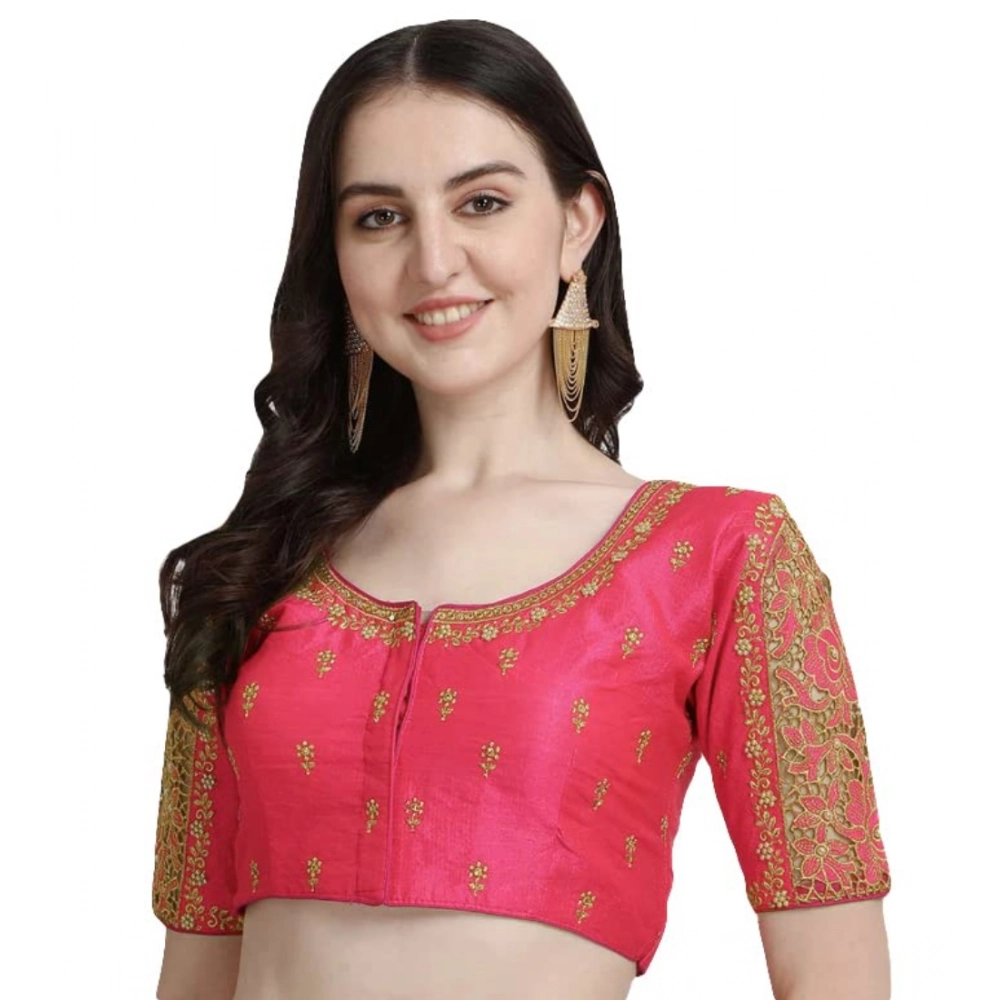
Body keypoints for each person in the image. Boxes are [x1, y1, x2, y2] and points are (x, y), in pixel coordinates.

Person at [151, 18, 891, 1000]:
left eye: (482, 203)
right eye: (380, 217)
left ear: (578, 221)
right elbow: (194, 972)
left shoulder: (721, 557)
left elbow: (837, 980)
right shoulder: (255, 567)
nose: (433, 262)